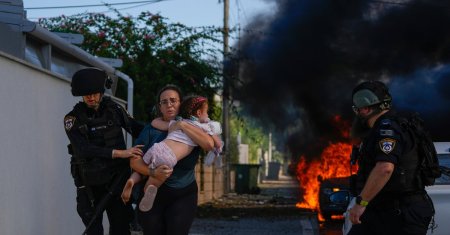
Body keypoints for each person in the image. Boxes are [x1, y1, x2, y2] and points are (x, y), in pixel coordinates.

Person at [64, 67, 167, 235]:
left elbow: (136, 129)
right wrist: (121, 153)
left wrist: (164, 134)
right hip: (89, 184)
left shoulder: (115, 110)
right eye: (86, 94)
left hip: (116, 180)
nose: (90, 97)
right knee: (94, 230)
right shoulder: (72, 119)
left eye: (94, 93)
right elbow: (84, 149)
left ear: (101, 92)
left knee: (120, 229)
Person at [347, 80, 435, 235]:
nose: (358, 113)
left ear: (366, 108)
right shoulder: (393, 126)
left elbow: (385, 169)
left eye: (358, 108)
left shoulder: (387, 130)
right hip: (382, 209)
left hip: (399, 212)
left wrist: (361, 203)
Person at [129, 85, 215, 235]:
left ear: (181, 104)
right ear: (159, 107)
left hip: (184, 194)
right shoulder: (150, 130)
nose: (169, 104)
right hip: (153, 193)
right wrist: (153, 171)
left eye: (173, 100)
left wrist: (181, 125)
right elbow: (134, 161)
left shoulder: (195, 126)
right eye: (164, 102)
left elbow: (209, 144)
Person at [121, 95, 222, 212]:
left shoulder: (178, 122)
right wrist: (217, 144)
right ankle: (149, 189)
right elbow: (216, 143)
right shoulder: (203, 128)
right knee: (157, 178)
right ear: (199, 113)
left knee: (142, 168)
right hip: (169, 157)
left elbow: (155, 122)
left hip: (158, 148)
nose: (208, 115)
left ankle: (132, 181)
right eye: (207, 113)